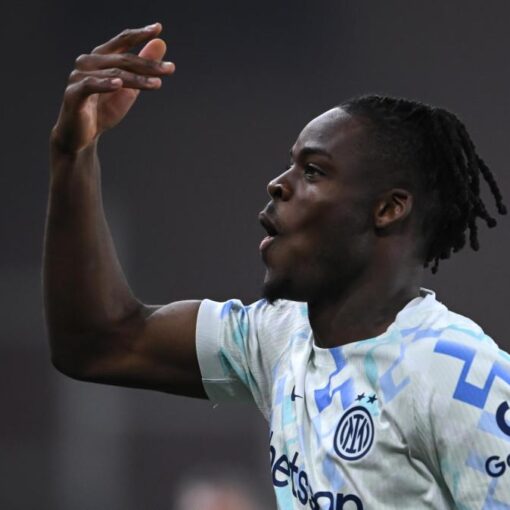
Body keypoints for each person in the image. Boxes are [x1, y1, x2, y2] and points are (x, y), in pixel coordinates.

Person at [44, 23, 510, 510]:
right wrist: (74, 153)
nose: (278, 184)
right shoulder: (280, 338)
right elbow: (95, 342)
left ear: (388, 208)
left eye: (313, 171)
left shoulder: (456, 374)